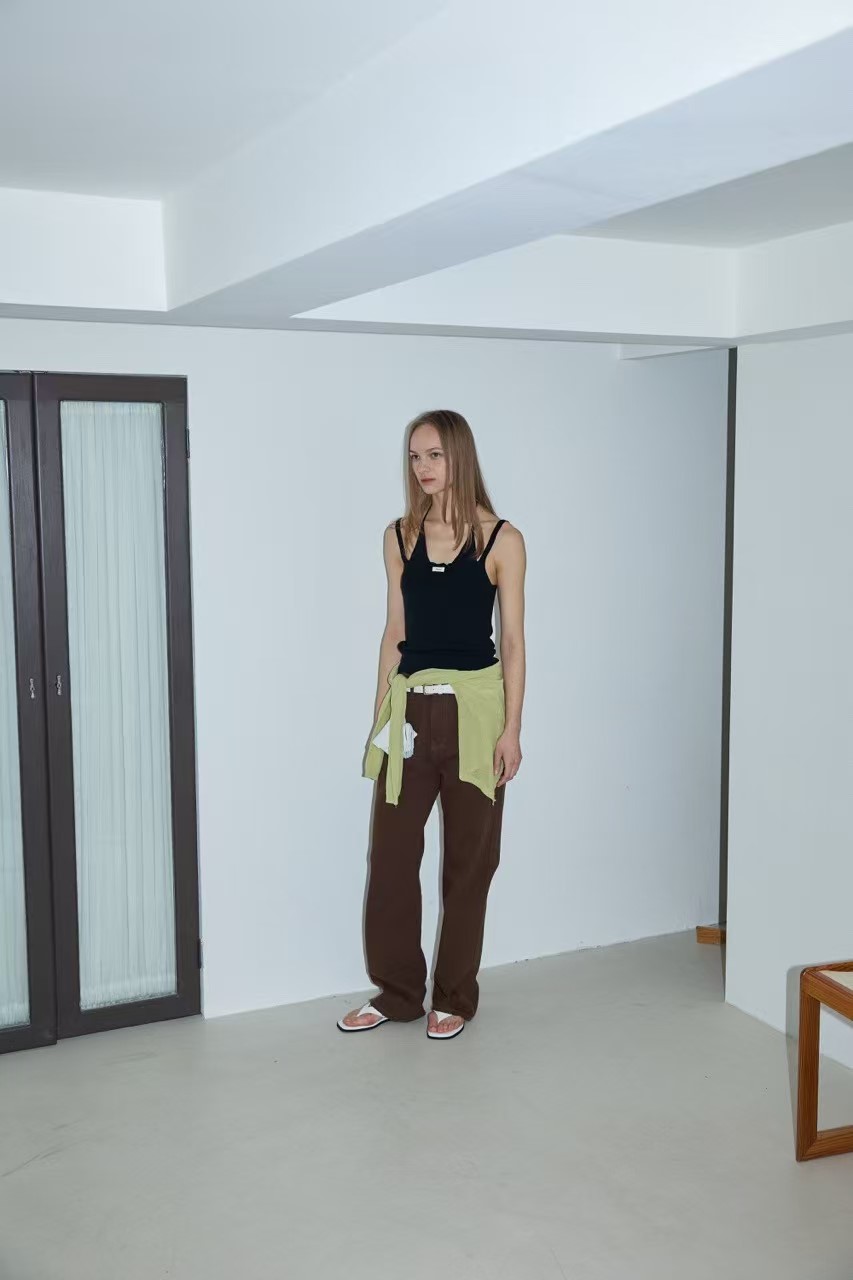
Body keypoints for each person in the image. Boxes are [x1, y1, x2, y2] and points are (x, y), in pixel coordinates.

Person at [337, 409, 526, 1041]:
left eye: (434, 455)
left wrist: (512, 730)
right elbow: (395, 632)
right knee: (392, 858)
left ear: (460, 457)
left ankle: (454, 997)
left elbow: (513, 643)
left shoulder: (502, 540)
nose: (422, 467)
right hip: (411, 714)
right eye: (415, 456)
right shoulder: (398, 536)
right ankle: (396, 994)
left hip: (476, 715)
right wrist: (379, 720)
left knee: (470, 864)